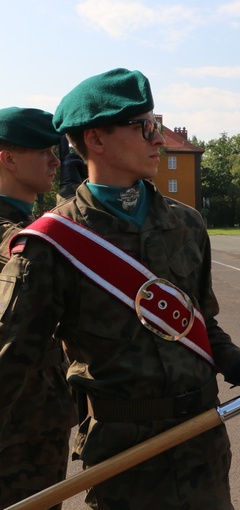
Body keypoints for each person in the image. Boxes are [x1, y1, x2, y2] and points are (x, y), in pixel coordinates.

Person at [0, 68, 240, 509]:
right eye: (145, 128)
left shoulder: (186, 223)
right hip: (123, 460)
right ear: (96, 140)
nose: (158, 139)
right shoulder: (50, 243)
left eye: (156, 125)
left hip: (203, 444)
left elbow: (202, 327)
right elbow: (10, 364)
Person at [0, 107, 77, 509]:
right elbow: (35, 244)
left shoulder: (29, 219)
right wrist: (74, 203)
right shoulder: (13, 231)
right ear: (8, 159)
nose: (55, 161)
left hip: (37, 417)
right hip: (11, 423)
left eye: (57, 151)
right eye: (43, 151)